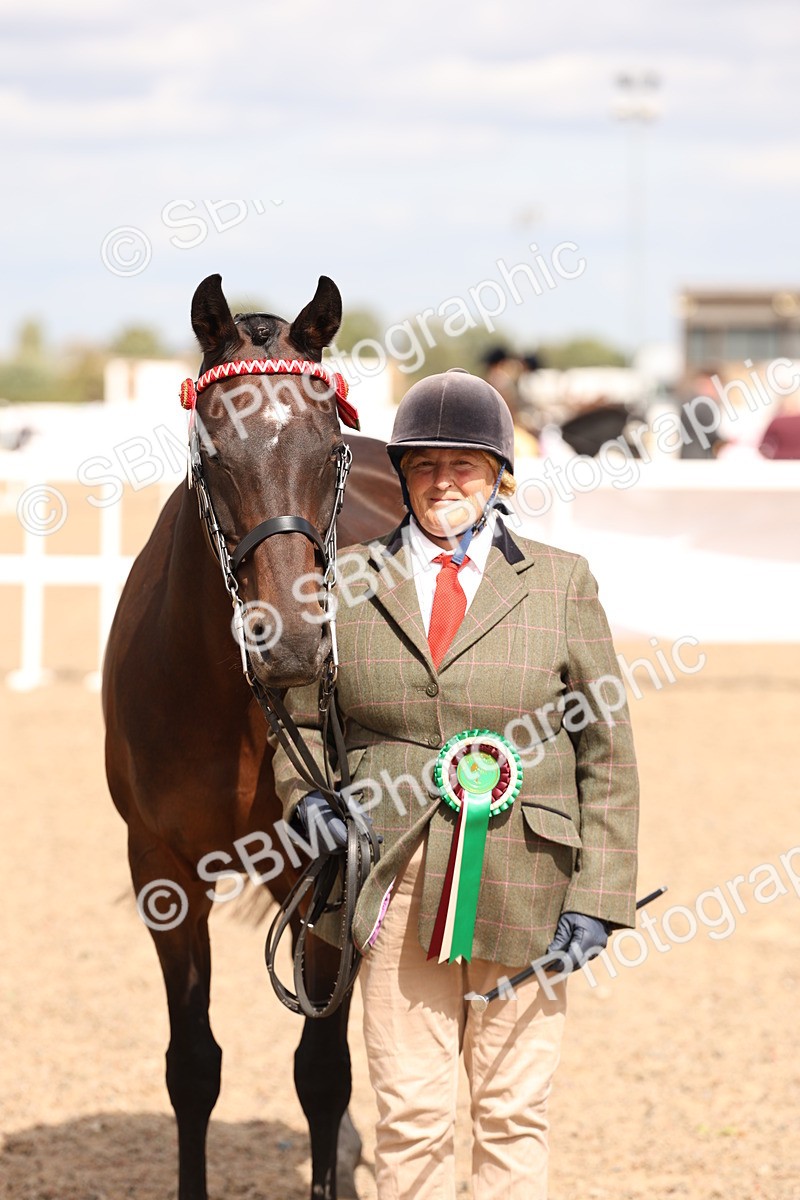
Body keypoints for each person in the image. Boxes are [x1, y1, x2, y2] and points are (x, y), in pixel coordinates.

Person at [271, 368, 640, 1200]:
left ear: (498, 474)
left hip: (528, 879)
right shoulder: (344, 580)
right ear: (400, 475)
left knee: (513, 1108)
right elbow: (292, 723)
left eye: (464, 464)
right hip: (390, 876)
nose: (444, 482)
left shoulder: (561, 581)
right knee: (411, 1111)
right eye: (425, 464)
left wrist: (600, 894)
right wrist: (307, 802)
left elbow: (607, 748)